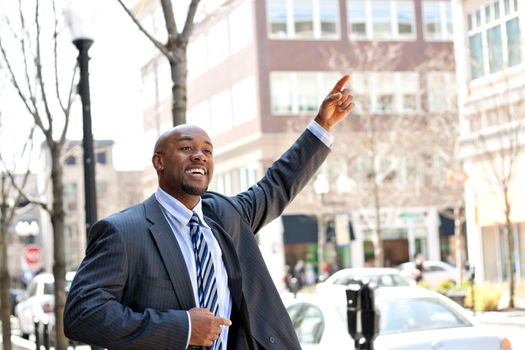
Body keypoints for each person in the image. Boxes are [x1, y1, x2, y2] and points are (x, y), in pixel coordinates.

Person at [63, 74, 354, 350]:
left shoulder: (227, 215)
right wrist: (183, 328)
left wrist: (321, 126)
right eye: (186, 148)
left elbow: (277, 184)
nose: (199, 155)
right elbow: (82, 314)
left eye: (207, 150)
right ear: (159, 162)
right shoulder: (123, 232)